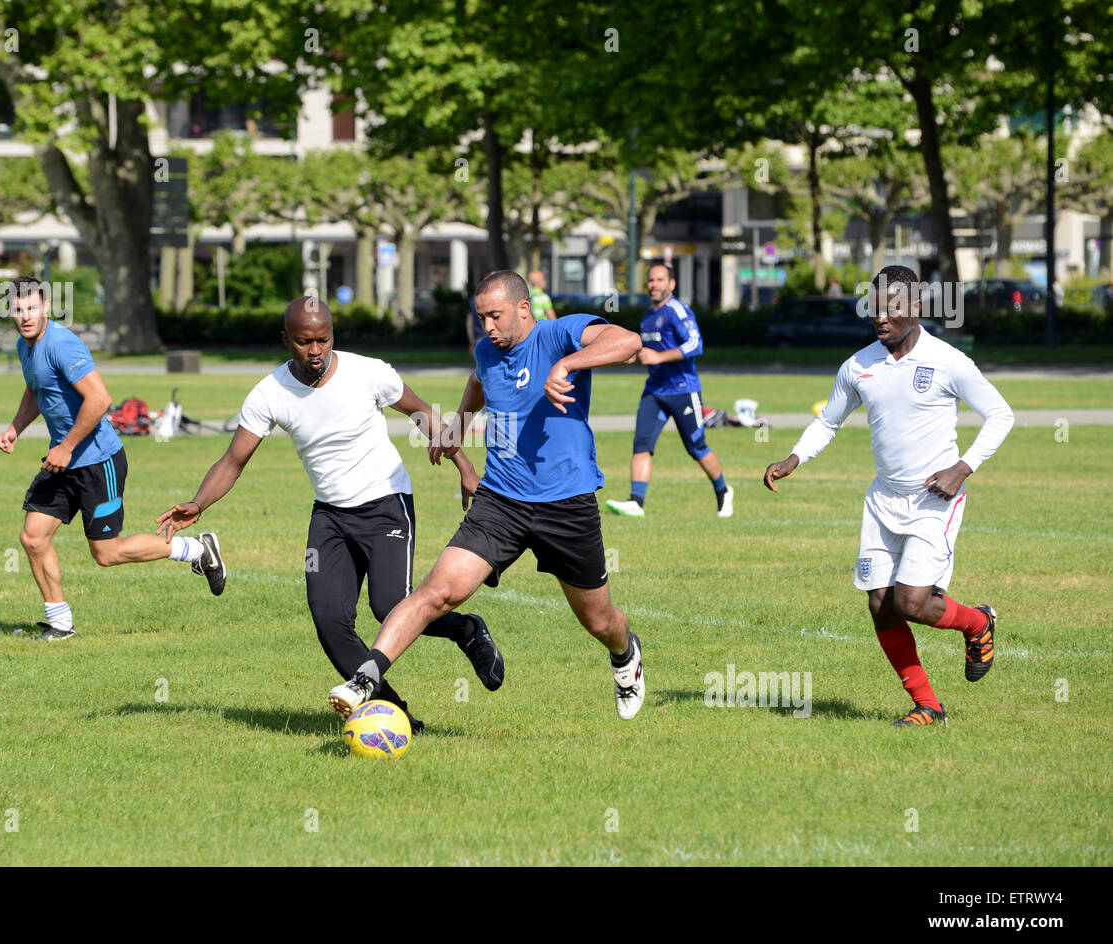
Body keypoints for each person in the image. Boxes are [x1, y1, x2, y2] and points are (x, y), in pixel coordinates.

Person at [158, 298, 503, 732]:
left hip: (386, 503)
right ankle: (395, 715)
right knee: (329, 620)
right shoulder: (269, 393)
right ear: (286, 340)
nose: (315, 350)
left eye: (323, 339)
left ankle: (467, 630)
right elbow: (233, 461)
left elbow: (422, 413)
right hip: (331, 516)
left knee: (391, 606)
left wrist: (465, 467)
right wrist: (199, 503)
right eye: (304, 342)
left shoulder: (368, 372)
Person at [328, 270, 647, 721]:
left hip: (567, 504)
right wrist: (457, 425)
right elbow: (480, 382)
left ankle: (625, 655)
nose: (488, 328)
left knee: (598, 621)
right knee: (436, 593)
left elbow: (630, 341)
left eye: (495, 316)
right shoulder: (486, 351)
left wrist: (568, 365)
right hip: (500, 501)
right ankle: (365, 679)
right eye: (482, 319)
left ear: (523, 308)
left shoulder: (560, 334)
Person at [763, 265, 1014, 727]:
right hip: (883, 500)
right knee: (880, 604)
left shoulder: (948, 361)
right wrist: (793, 458)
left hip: (934, 499)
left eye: (893, 306)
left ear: (916, 308)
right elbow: (828, 421)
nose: (882, 316)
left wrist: (962, 468)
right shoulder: (858, 365)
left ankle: (978, 623)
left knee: (912, 603)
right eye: (875, 307)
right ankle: (927, 705)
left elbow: (1000, 415)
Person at [0, 277, 224, 642]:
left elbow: (100, 400)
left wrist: (66, 447)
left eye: (32, 308)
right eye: (18, 309)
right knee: (33, 538)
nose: (25, 316)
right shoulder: (26, 347)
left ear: (47, 307)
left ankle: (197, 549)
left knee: (106, 553)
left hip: (97, 462)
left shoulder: (63, 345)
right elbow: (38, 388)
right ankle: (60, 623)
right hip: (63, 462)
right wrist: (15, 428)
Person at [606, 263, 732, 518]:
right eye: (651, 280)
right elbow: (648, 351)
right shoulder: (648, 315)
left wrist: (660, 357)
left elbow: (696, 344)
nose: (653, 284)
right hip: (655, 390)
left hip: (683, 390)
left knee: (696, 447)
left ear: (671, 284)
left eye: (659, 280)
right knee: (641, 444)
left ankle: (723, 490)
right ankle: (636, 502)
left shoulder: (677, 310)